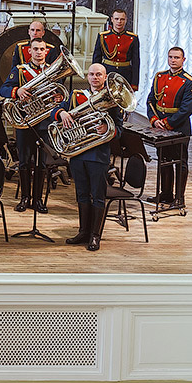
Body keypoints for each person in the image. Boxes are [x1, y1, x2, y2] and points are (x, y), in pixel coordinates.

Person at [57, 63, 118, 251]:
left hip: (98, 155)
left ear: (105, 77)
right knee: (81, 194)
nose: (94, 77)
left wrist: (108, 128)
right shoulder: (77, 96)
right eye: (91, 74)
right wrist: (62, 112)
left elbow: (120, 128)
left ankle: (95, 235)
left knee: (98, 196)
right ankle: (83, 232)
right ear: (87, 77)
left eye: (98, 74)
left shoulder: (112, 100)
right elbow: (57, 110)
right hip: (78, 153)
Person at [0, 37, 56, 213]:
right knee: (24, 161)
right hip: (25, 122)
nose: (39, 52)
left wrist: (59, 99)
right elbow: (3, 90)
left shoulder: (53, 71)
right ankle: (25, 198)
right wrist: (17, 91)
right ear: (29, 51)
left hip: (44, 122)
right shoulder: (19, 70)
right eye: (36, 49)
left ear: (46, 51)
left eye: (42, 49)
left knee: (41, 163)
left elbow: (60, 95)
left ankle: (38, 200)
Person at [147, 46, 192, 207]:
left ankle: (179, 199)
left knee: (179, 162)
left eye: (176, 57)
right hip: (159, 127)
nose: (173, 60)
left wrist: (167, 124)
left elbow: (186, 110)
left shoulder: (189, 82)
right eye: (170, 57)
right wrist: (154, 120)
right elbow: (150, 101)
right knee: (164, 159)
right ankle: (166, 194)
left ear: (183, 60)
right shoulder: (159, 77)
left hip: (179, 129)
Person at [92, 9, 141, 89]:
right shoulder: (103, 37)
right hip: (107, 73)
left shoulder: (132, 38)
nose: (119, 22)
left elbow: (136, 63)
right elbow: (96, 60)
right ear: (112, 19)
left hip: (125, 75)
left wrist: (134, 83)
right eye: (116, 19)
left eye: (122, 19)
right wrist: (96, 78)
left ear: (126, 20)